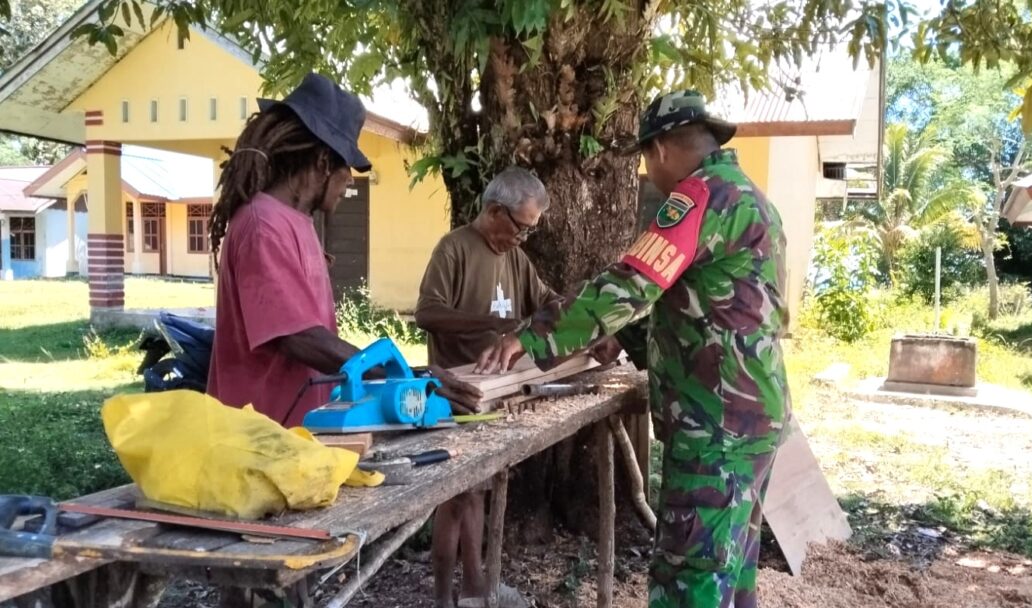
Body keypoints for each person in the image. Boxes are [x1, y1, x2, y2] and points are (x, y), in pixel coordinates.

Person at [475, 90, 791, 608]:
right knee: (731, 574)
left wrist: (529, 336)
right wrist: (621, 336)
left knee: (689, 580)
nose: (649, 171)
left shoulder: (698, 197)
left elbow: (632, 284)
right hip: (753, 416)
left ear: (662, 149)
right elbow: (715, 308)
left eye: (646, 159)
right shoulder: (751, 197)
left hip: (715, 427)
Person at [206, 72, 478, 428]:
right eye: (346, 167)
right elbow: (298, 337)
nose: (350, 179)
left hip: (296, 431)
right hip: (260, 435)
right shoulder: (264, 226)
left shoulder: (293, 221)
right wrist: (404, 376)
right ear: (322, 162)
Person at [415, 167, 557, 608]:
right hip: (455, 392)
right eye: (521, 228)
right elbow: (427, 313)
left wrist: (566, 317)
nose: (524, 238)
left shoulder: (515, 259)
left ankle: (475, 589)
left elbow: (547, 301)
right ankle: (443, 598)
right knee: (454, 498)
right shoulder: (454, 249)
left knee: (477, 492)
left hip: (496, 394)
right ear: (496, 211)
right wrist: (494, 324)